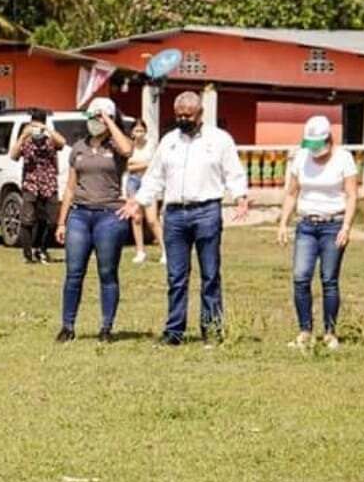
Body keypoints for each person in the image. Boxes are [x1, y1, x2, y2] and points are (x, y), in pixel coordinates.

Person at [125, 91, 249, 345]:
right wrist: (138, 201)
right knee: (176, 276)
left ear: (200, 114)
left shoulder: (219, 140)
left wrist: (240, 197)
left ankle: (212, 330)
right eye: (179, 115)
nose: (183, 119)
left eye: (188, 115)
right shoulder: (169, 141)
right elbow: (154, 177)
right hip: (174, 215)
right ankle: (174, 331)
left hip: (206, 211)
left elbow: (233, 172)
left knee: (210, 274)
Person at [54, 96, 133, 342]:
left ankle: (106, 327)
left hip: (109, 216)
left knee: (107, 272)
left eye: (98, 117)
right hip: (80, 215)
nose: (94, 122)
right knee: (74, 271)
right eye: (91, 117)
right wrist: (61, 221)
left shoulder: (116, 148)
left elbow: (128, 149)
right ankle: (67, 326)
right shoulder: (79, 148)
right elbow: (69, 187)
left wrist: (108, 121)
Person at [275, 116, 358, 350]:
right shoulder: (301, 158)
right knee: (301, 278)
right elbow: (292, 193)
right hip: (306, 226)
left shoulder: (344, 158)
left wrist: (346, 227)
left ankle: (330, 332)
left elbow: (352, 195)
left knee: (329, 279)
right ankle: (305, 331)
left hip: (334, 224)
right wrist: (283, 223)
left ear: (329, 140)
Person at [9, 108, 64, 264]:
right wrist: (24, 135)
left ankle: (42, 249)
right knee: (27, 220)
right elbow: (13, 155)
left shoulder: (50, 140)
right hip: (30, 184)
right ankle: (28, 255)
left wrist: (47, 129)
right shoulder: (26, 141)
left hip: (49, 184)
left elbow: (63, 143)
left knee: (51, 220)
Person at [126, 119, 165, 265]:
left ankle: (164, 250)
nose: (139, 134)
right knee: (136, 218)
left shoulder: (151, 145)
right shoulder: (129, 146)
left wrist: (138, 164)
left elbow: (154, 164)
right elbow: (128, 166)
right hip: (133, 182)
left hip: (148, 182)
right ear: (131, 133)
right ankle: (140, 251)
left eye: (141, 130)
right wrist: (143, 164)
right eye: (136, 131)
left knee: (152, 219)